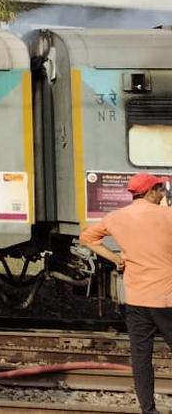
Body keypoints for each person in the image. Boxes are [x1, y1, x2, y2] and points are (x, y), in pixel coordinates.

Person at [80, 173, 172, 414]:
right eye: (161, 189)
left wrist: (115, 258)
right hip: (166, 298)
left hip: (137, 300)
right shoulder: (167, 215)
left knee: (141, 358)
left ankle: (148, 410)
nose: (163, 193)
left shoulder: (116, 217)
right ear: (151, 191)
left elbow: (86, 238)